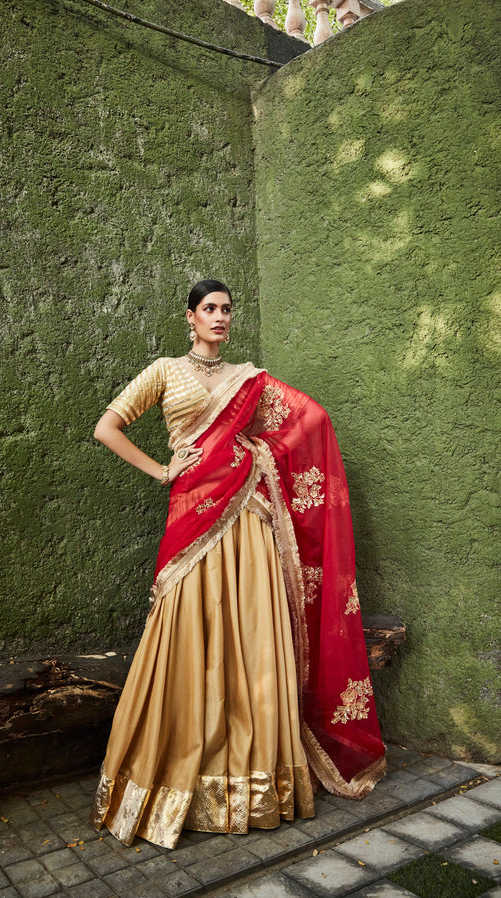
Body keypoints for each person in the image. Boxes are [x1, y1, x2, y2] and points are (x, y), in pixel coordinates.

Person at [90, 279, 386, 850]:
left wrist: (254, 454)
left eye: (227, 310)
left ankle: (254, 782)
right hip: (192, 521)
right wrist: (162, 471)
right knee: (186, 637)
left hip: (247, 522)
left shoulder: (250, 379)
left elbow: (311, 420)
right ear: (190, 317)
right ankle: (176, 775)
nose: (220, 318)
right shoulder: (164, 372)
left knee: (252, 640)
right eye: (210, 310)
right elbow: (107, 428)